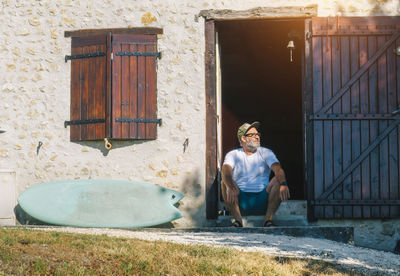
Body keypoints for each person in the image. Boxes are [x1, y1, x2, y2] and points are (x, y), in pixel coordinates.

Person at [221, 121, 290, 227]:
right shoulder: (233, 154)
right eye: (253, 135)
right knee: (224, 182)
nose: (257, 137)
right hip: (240, 202)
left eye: (258, 134)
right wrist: (229, 186)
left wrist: (283, 184)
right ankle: (238, 221)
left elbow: (277, 169)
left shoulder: (266, 152)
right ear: (243, 138)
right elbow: (225, 169)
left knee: (278, 179)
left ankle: (268, 220)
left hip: (263, 201)